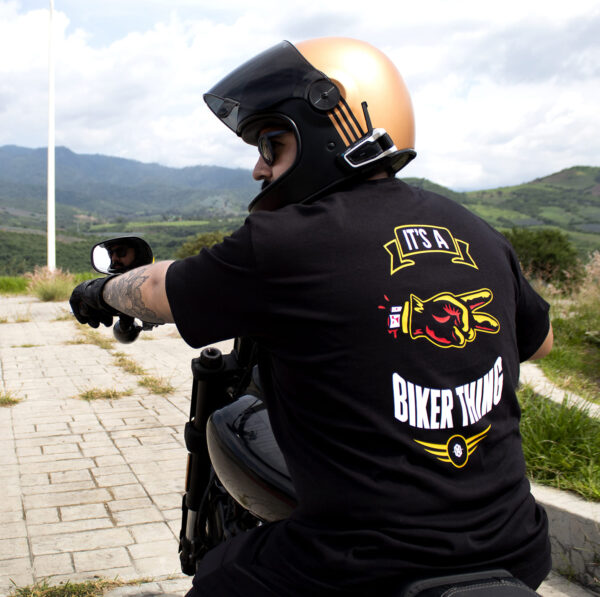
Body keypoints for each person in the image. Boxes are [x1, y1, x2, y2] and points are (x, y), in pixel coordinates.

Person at [70, 38, 553, 596]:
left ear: (330, 130)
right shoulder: (476, 230)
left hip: (363, 564)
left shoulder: (286, 242)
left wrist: (99, 291)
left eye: (271, 145)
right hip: (518, 547)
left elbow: (157, 288)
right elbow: (537, 345)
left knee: (217, 576)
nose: (257, 168)